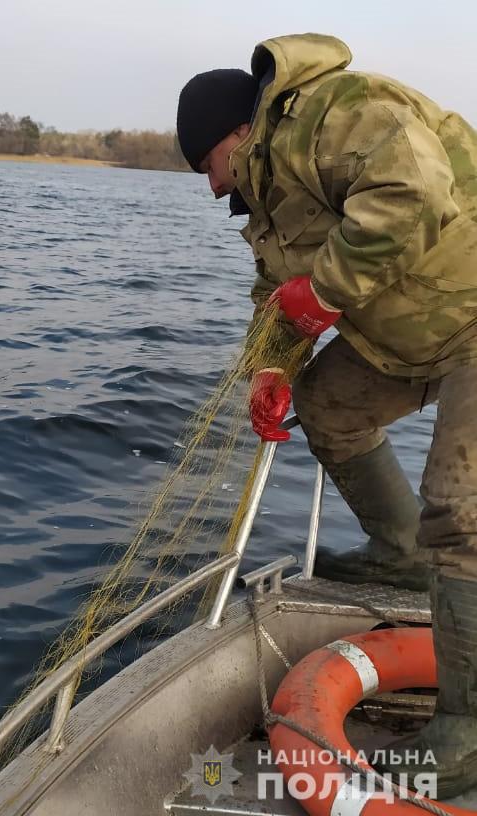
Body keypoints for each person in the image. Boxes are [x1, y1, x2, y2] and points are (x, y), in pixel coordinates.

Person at [176, 33, 477, 797]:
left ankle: (468, 727)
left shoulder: (334, 112)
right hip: (409, 337)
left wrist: (327, 289)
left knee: (461, 510)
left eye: (206, 166)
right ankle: (398, 551)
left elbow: (411, 192)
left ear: (235, 136)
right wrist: (270, 369)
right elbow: (275, 294)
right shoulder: (268, 198)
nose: (211, 189)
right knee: (326, 404)